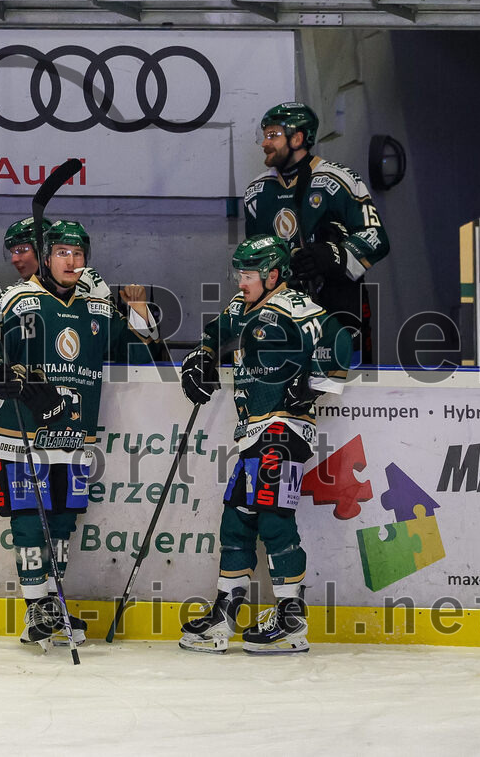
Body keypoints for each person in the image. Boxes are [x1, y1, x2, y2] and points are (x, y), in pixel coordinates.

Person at [0, 220, 165, 651]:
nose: (72, 262)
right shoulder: (15, 298)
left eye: (79, 255)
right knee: (28, 520)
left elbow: (141, 349)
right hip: (20, 431)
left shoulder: (98, 309)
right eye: (63, 253)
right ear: (46, 257)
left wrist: (138, 310)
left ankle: (51, 605)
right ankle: (36, 607)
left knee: (61, 522)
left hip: (74, 436)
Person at [177, 235, 350, 655]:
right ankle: (226, 611)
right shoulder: (240, 309)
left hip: (285, 431)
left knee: (273, 517)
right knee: (236, 520)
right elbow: (212, 336)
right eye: (239, 273)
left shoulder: (297, 308)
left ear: (273, 275)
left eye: (249, 274)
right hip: (252, 433)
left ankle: (291, 620)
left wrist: (312, 391)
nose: (241, 281)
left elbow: (339, 340)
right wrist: (199, 359)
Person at [245, 102, 389, 363]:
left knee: (346, 396)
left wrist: (334, 255)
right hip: (283, 315)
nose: (265, 143)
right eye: (264, 135)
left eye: (273, 135)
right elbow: (252, 260)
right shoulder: (257, 192)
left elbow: (376, 237)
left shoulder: (337, 180)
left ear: (298, 138)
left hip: (338, 309)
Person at [3, 216, 111, 300]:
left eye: (21, 250)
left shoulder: (85, 278)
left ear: (42, 251)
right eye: (12, 253)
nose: (14, 260)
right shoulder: (15, 292)